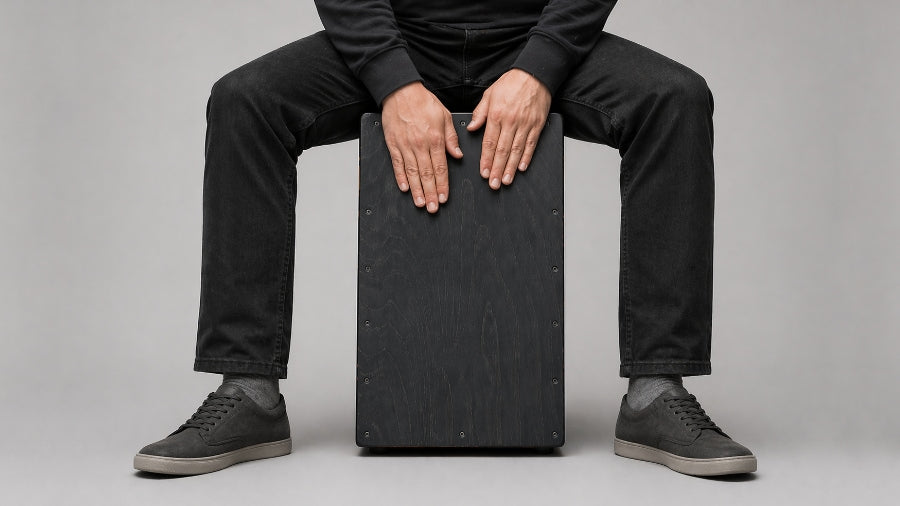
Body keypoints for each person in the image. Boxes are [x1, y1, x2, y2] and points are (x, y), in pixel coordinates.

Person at [134, 0, 757, 477]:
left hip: (531, 35)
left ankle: (657, 392)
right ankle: (247, 391)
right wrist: (394, 80)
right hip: (403, 36)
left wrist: (539, 70)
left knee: (676, 100)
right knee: (244, 103)